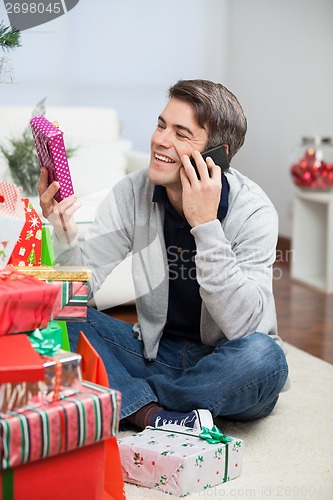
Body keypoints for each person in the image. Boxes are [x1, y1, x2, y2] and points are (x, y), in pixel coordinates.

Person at [38, 79, 289, 431]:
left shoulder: (254, 212)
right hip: (153, 353)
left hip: (225, 361)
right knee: (54, 313)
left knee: (265, 358)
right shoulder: (133, 191)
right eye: (161, 124)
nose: (160, 140)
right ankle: (163, 416)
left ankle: (132, 403)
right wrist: (63, 236)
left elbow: (243, 326)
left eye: (181, 134)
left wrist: (205, 225)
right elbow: (81, 292)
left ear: (217, 156)